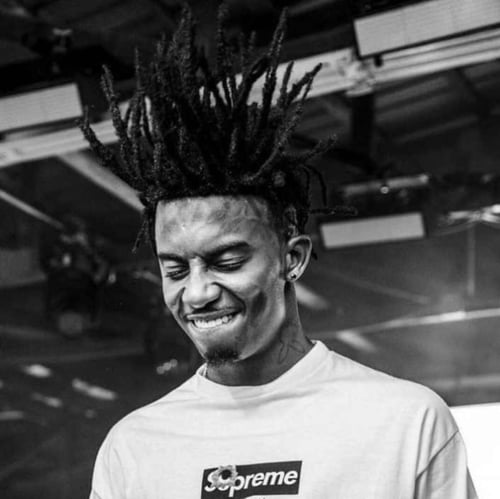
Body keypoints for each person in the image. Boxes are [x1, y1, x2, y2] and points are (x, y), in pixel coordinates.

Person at [80, 6, 477, 498]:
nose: (197, 293)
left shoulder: (406, 422)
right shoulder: (133, 449)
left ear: (293, 258)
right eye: (176, 269)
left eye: (227, 262)